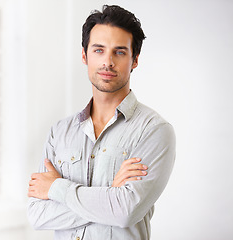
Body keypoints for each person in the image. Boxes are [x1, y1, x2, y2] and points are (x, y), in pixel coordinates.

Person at [27, 5, 175, 240]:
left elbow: (125, 212)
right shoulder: (60, 132)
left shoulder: (154, 130)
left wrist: (56, 188)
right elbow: (37, 214)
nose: (108, 62)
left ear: (134, 60)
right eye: (98, 50)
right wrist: (109, 196)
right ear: (85, 55)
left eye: (119, 52)